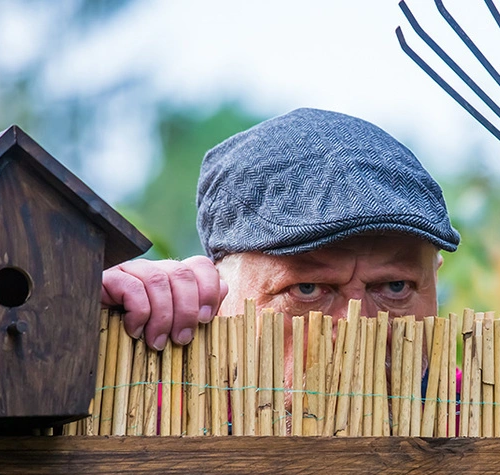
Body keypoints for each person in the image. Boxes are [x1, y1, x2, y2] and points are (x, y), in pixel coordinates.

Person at [100, 108, 460, 368]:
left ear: (435, 276)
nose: (357, 335)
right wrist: (75, 324)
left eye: (396, 287)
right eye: (306, 289)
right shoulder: (141, 410)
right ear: (218, 289)